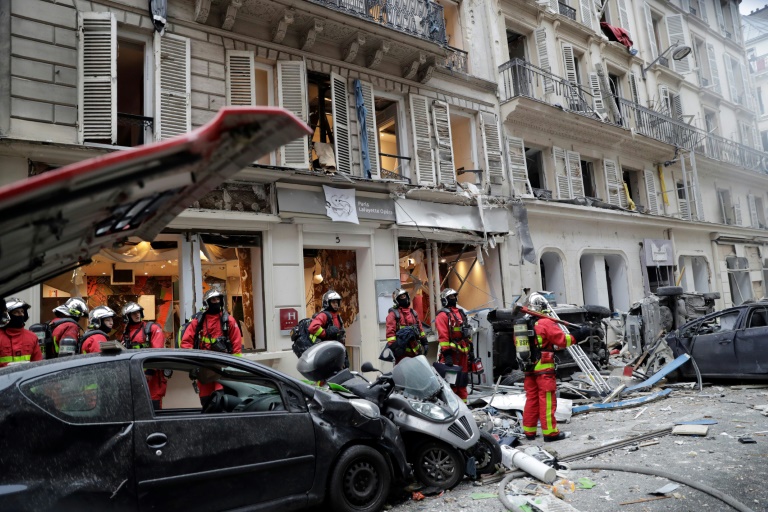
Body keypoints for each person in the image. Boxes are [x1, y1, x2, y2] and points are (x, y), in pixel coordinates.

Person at [522, 295, 574, 442]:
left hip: (528, 367)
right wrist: (577, 335)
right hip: (544, 368)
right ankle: (550, 433)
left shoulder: (522, 324)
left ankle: (529, 431)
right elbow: (562, 341)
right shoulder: (545, 322)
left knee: (532, 399)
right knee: (547, 400)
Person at [180, 289, 242, 406]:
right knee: (206, 400)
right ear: (207, 302)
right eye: (213, 300)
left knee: (222, 399)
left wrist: (235, 367)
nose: (216, 302)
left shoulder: (228, 320)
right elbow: (186, 342)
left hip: (223, 365)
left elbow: (236, 344)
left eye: (218, 299)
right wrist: (192, 364)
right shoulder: (198, 321)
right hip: (204, 366)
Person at [121, 302, 168, 410]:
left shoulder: (151, 328)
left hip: (152, 379)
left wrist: (150, 371)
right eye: (133, 313)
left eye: (138, 312)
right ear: (127, 316)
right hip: (134, 376)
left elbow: (157, 352)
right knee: (137, 410)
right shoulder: (126, 334)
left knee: (154, 407)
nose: (137, 315)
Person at [436, 288, 472, 401]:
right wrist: (447, 355)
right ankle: (452, 406)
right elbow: (443, 336)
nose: (454, 299)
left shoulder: (461, 313)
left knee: (463, 381)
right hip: (451, 354)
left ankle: (464, 406)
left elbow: (468, 332)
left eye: (455, 296)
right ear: (445, 299)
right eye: (451, 297)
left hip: (463, 354)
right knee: (451, 383)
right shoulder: (442, 315)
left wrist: (471, 350)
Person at [386, 289, 427, 363]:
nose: (404, 298)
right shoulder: (393, 315)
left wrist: (425, 342)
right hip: (402, 355)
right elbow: (390, 335)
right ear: (397, 300)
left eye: (405, 296)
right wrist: (395, 349)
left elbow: (420, 329)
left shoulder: (413, 313)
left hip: (416, 353)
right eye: (401, 297)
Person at [0, 298, 42, 368]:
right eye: (16, 312)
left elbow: (38, 363)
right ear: (7, 315)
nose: (21, 314)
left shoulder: (32, 337)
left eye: (22, 311)